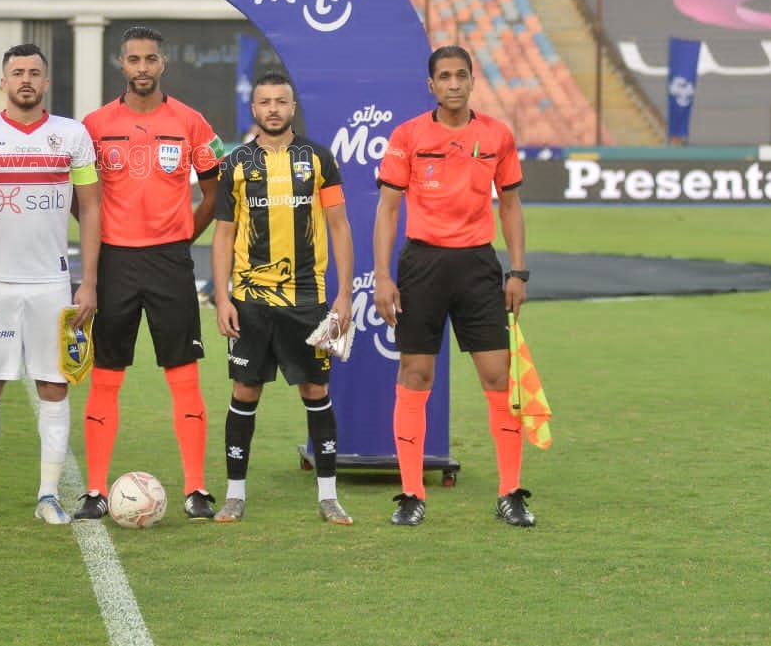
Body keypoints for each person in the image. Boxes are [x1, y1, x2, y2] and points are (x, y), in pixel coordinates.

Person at [373, 45, 534, 527]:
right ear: (431, 85)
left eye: (461, 75)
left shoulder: (497, 135)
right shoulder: (408, 135)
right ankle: (411, 494)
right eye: (444, 76)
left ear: (472, 81)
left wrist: (518, 272)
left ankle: (510, 493)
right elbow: (388, 209)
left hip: (478, 266)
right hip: (422, 264)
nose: (453, 84)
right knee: (416, 374)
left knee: (498, 376)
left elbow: (511, 206)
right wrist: (383, 276)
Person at [74, 26, 224, 521]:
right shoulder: (95, 125)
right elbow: (80, 199)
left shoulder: (191, 121)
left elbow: (215, 190)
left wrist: (182, 235)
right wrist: (100, 234)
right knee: (106, 376)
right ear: (122, 64)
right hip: (114, 262)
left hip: (170, 262)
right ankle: (95, 490)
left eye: (151, 59)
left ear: (163, 64)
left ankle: (196, 489)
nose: (142, 67)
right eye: (134, 59)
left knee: (184, 375)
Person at [0, 44, 100, 525]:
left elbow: (91, 208)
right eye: (17, 72)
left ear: (46, 82)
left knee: (54, 386)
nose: (26, 80)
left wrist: (89, 281)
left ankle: (48, 496)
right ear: (3, 81)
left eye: (34, 72)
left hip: (52, 283)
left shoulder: (72, 135)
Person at [209, 71, 355, 525]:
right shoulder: (235, 164)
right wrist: (223, 297)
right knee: (244, 390)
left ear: (292, 107)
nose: (272, 109)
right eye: (264, 102)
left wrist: (344, 295)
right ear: (253, 109)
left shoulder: (319, 159)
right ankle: (234, 495)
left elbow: (339, 226)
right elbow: (223, 234)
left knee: (316, 390)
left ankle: (328, 497)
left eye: (280, 101)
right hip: (249, 301)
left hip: (307, 299)